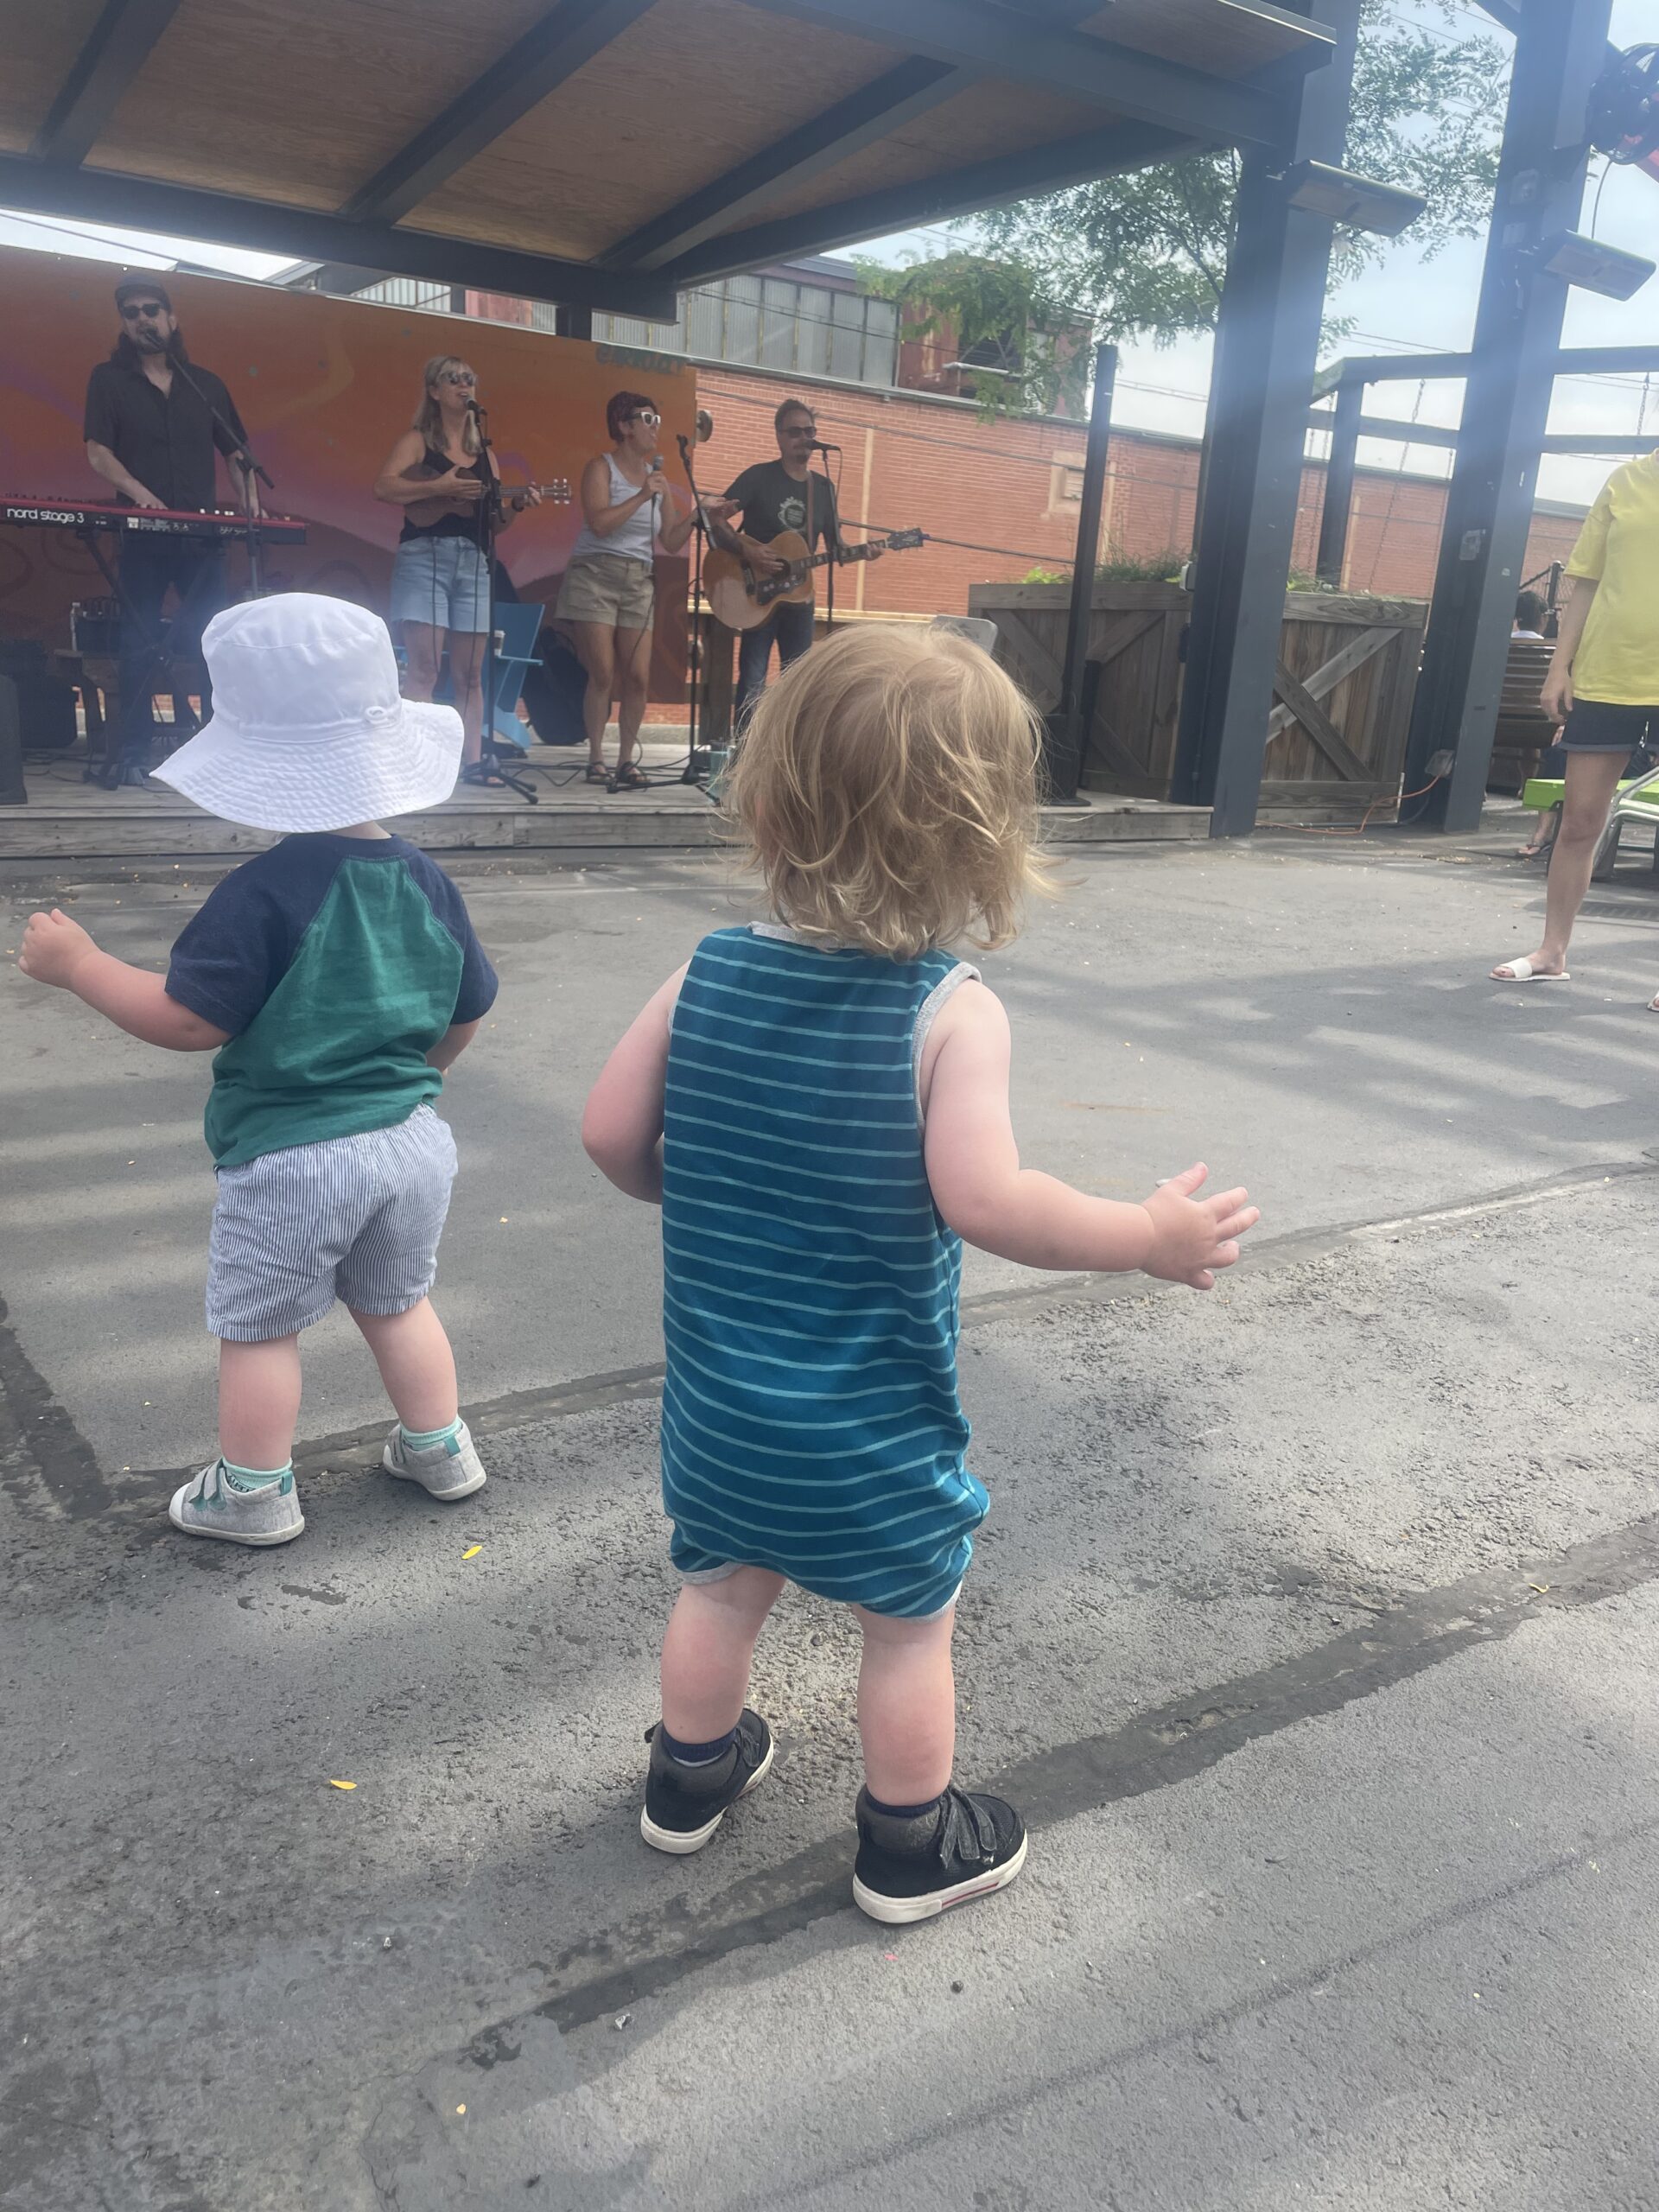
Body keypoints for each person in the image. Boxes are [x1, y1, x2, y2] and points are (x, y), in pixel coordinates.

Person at [582, 626, 1257, 1923]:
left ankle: (687, 1780)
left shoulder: (703, 972)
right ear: (981, 840)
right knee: (907, 1628)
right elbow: (993, 1202)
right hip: (872, 1435)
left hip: (719, 1418)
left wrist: (707, 1191)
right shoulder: (948, 1013)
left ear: (767, 804)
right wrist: (1150, 1235)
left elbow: (613, 1136)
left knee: (717, 1588)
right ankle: (907, 1846)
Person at [17, 594, 498, 1547]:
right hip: (412, 1145)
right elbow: (468, 1011)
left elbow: (190, 1019)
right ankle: (441, 1448)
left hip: (290, 1157)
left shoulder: (264, 893)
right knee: (398, 1304)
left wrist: (80, 967)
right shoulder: (425, 881)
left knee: (259, 1329)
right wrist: (413, 1076)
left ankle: (252, 1492)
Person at [1491, 448, 1659, 988]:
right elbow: (1584, 580)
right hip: (1608, 671)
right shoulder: (1627, 480)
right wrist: (1558, 667)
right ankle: (1551, 952)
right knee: (1582, 818)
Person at [83, 277, 259, 787]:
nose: (143, 318)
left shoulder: (205, 384)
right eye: (132, 312)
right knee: (138, 643)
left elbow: (237, 454)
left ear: (171, 319)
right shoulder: (109, 380)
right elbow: (98, 452)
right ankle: (136, 753)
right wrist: (139, 492)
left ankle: (216, 751)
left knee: (214, 643)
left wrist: (252, 506)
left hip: (202, 539)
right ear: (124, 324)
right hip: (143, 536)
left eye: (152, 310)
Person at [374, 355, 541, 779]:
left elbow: (495, 522)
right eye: (453, 379)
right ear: (434, 391)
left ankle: (471, 762)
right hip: (424, 556)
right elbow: (384, 486)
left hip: (474, 562)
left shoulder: (485, 452)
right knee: (425, 668)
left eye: (470, 379)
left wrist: (517, 506)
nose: (463, 385)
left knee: (470, 674)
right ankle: (411, 763)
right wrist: (438, 487)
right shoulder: (417, 441)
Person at [556, 391, 697, 790]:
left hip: (639, 579)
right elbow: (600, 523)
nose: (655, 428)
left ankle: (625, 762)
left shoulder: (659, 481)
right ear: (624, 426)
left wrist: (700, 517)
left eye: (657, 420)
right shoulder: (601, 468)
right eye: (646, 419)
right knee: (602, 671)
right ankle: (596, 758)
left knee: (637, 676)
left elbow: (669, 539)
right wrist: (641, 496)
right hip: (595, 574)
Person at [722, 398, 878, 727]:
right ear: (779, 436)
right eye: (795, 432)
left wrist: (864, 551)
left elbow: (836, 548)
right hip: (757, 594)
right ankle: (743, 755)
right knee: (752, 679)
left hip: (799, 598)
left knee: (799, 683)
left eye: (810, 431)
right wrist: (747, 551)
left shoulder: (822, 487)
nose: (804, 438)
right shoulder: (758, 477)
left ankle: (788, 755)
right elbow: (716, 521)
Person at [1510, 590, 1560, 861]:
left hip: (1496, 723)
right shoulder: (1550, 650)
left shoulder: (1500, 644)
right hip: (1539, 725)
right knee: (1538, 739)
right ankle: (1525, 785)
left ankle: (1478, 789)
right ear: (1542, 618)